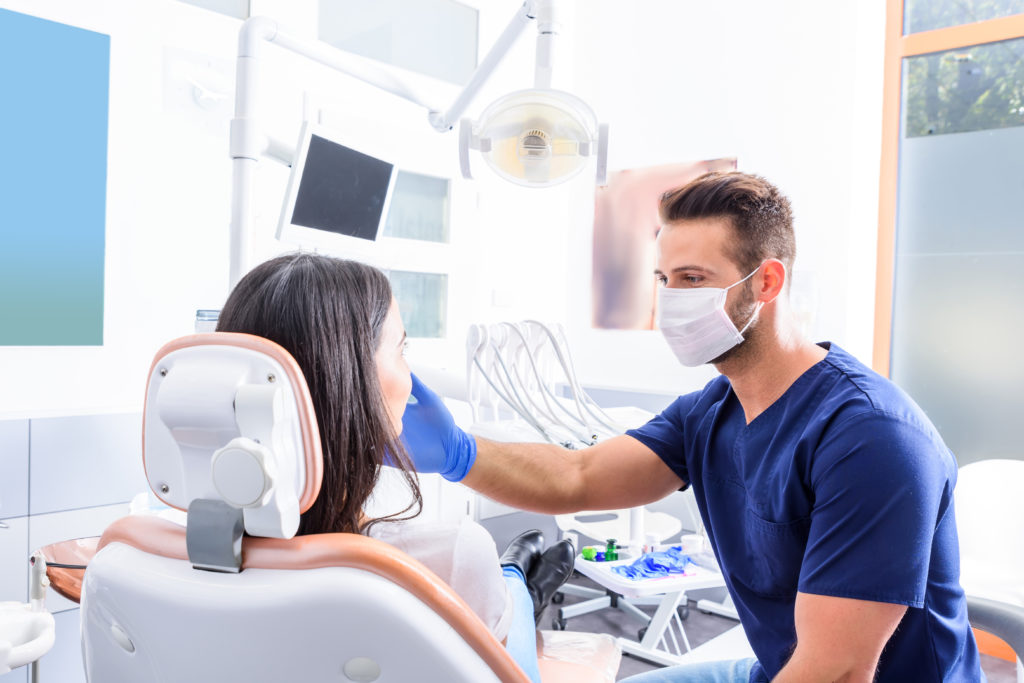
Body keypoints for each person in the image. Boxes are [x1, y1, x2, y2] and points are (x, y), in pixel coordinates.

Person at [400, 172, 985, 682]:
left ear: (766, 283)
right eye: (664, 279)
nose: (671, 301)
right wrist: (458, 452)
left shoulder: (871, 439)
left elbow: (836, 672)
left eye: (693, 278)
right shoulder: (712, 410)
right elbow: (578, 477)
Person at [215, 253, 574, 683]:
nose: (411, 375)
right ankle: (520, 581)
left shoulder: (172, 551)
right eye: (402, 349)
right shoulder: (452, 554)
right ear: (355, 383)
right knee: (511, 606)